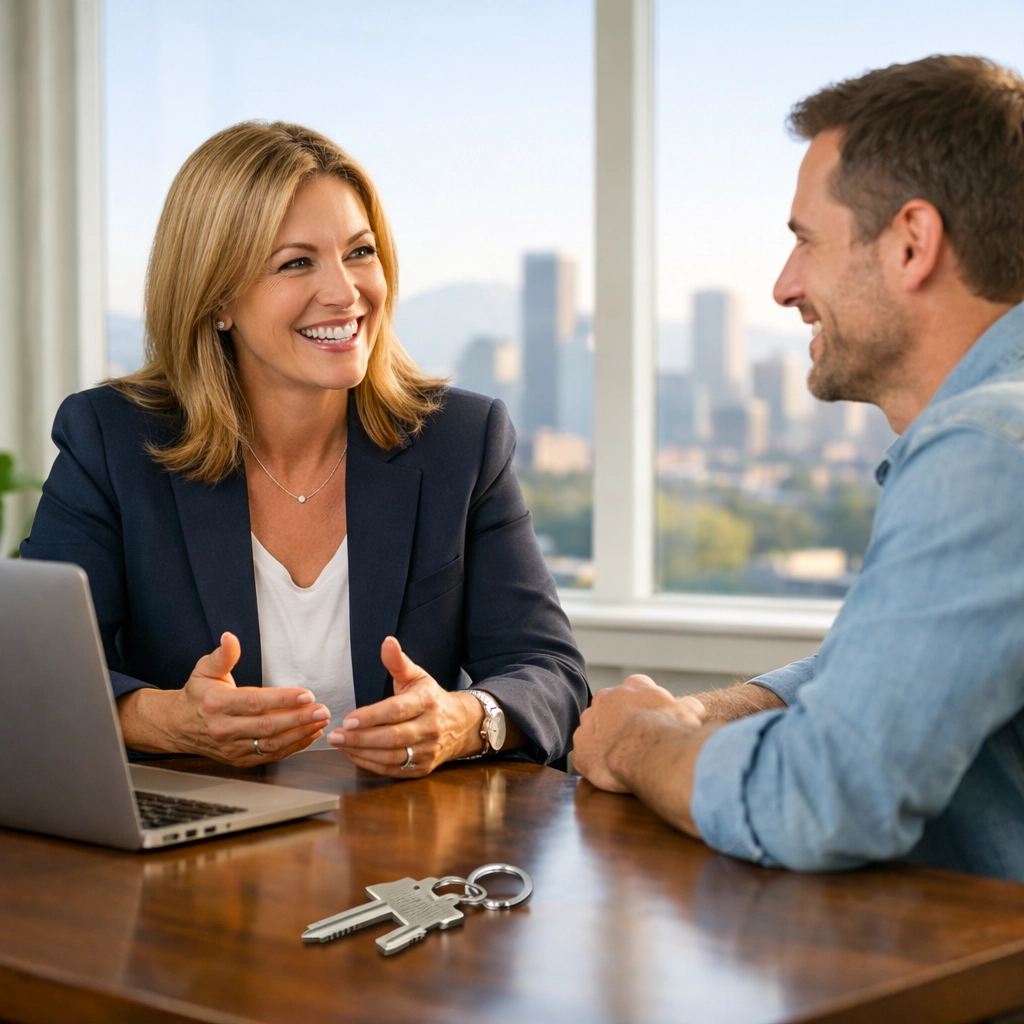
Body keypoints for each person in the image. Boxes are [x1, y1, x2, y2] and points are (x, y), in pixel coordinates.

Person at [573, 55, 1024, 881]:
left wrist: (637, 740)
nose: (785, 288)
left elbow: (819, 799)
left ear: (912, 244)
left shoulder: (986, 451)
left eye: (806, 242)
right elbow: (898, 662)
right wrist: (702, 712)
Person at [23, 121, 588, 776]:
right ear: (216, 299)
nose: (346, 293)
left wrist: (465, 720)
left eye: (359, 252)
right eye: (297, 262)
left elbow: (552, 676)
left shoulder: (461, 440)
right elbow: (37, 679)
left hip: (403, 854)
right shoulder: (111, 441)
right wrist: (165, 718)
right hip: (200, 856)